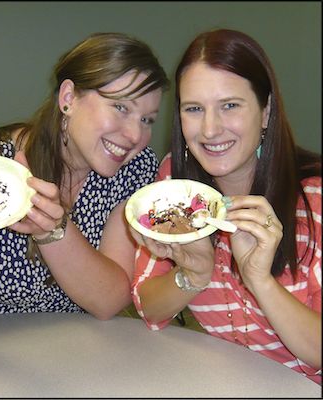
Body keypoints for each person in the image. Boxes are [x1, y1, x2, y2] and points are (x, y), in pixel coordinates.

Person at [0, 32, 169, 349]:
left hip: (76, 351)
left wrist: (53, 231)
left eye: (147, 119)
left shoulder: (135, 170)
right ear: (68, 98)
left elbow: (108, 301)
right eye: (120, 107)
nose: (136, 134)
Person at [131, 29, 321, 384]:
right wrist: (194, 274)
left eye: (230, 105)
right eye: (194, 109)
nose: (210, 129)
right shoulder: (175, 186)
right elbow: (149, 309)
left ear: (265, 112)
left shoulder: (314, 199)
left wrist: (260, 280)